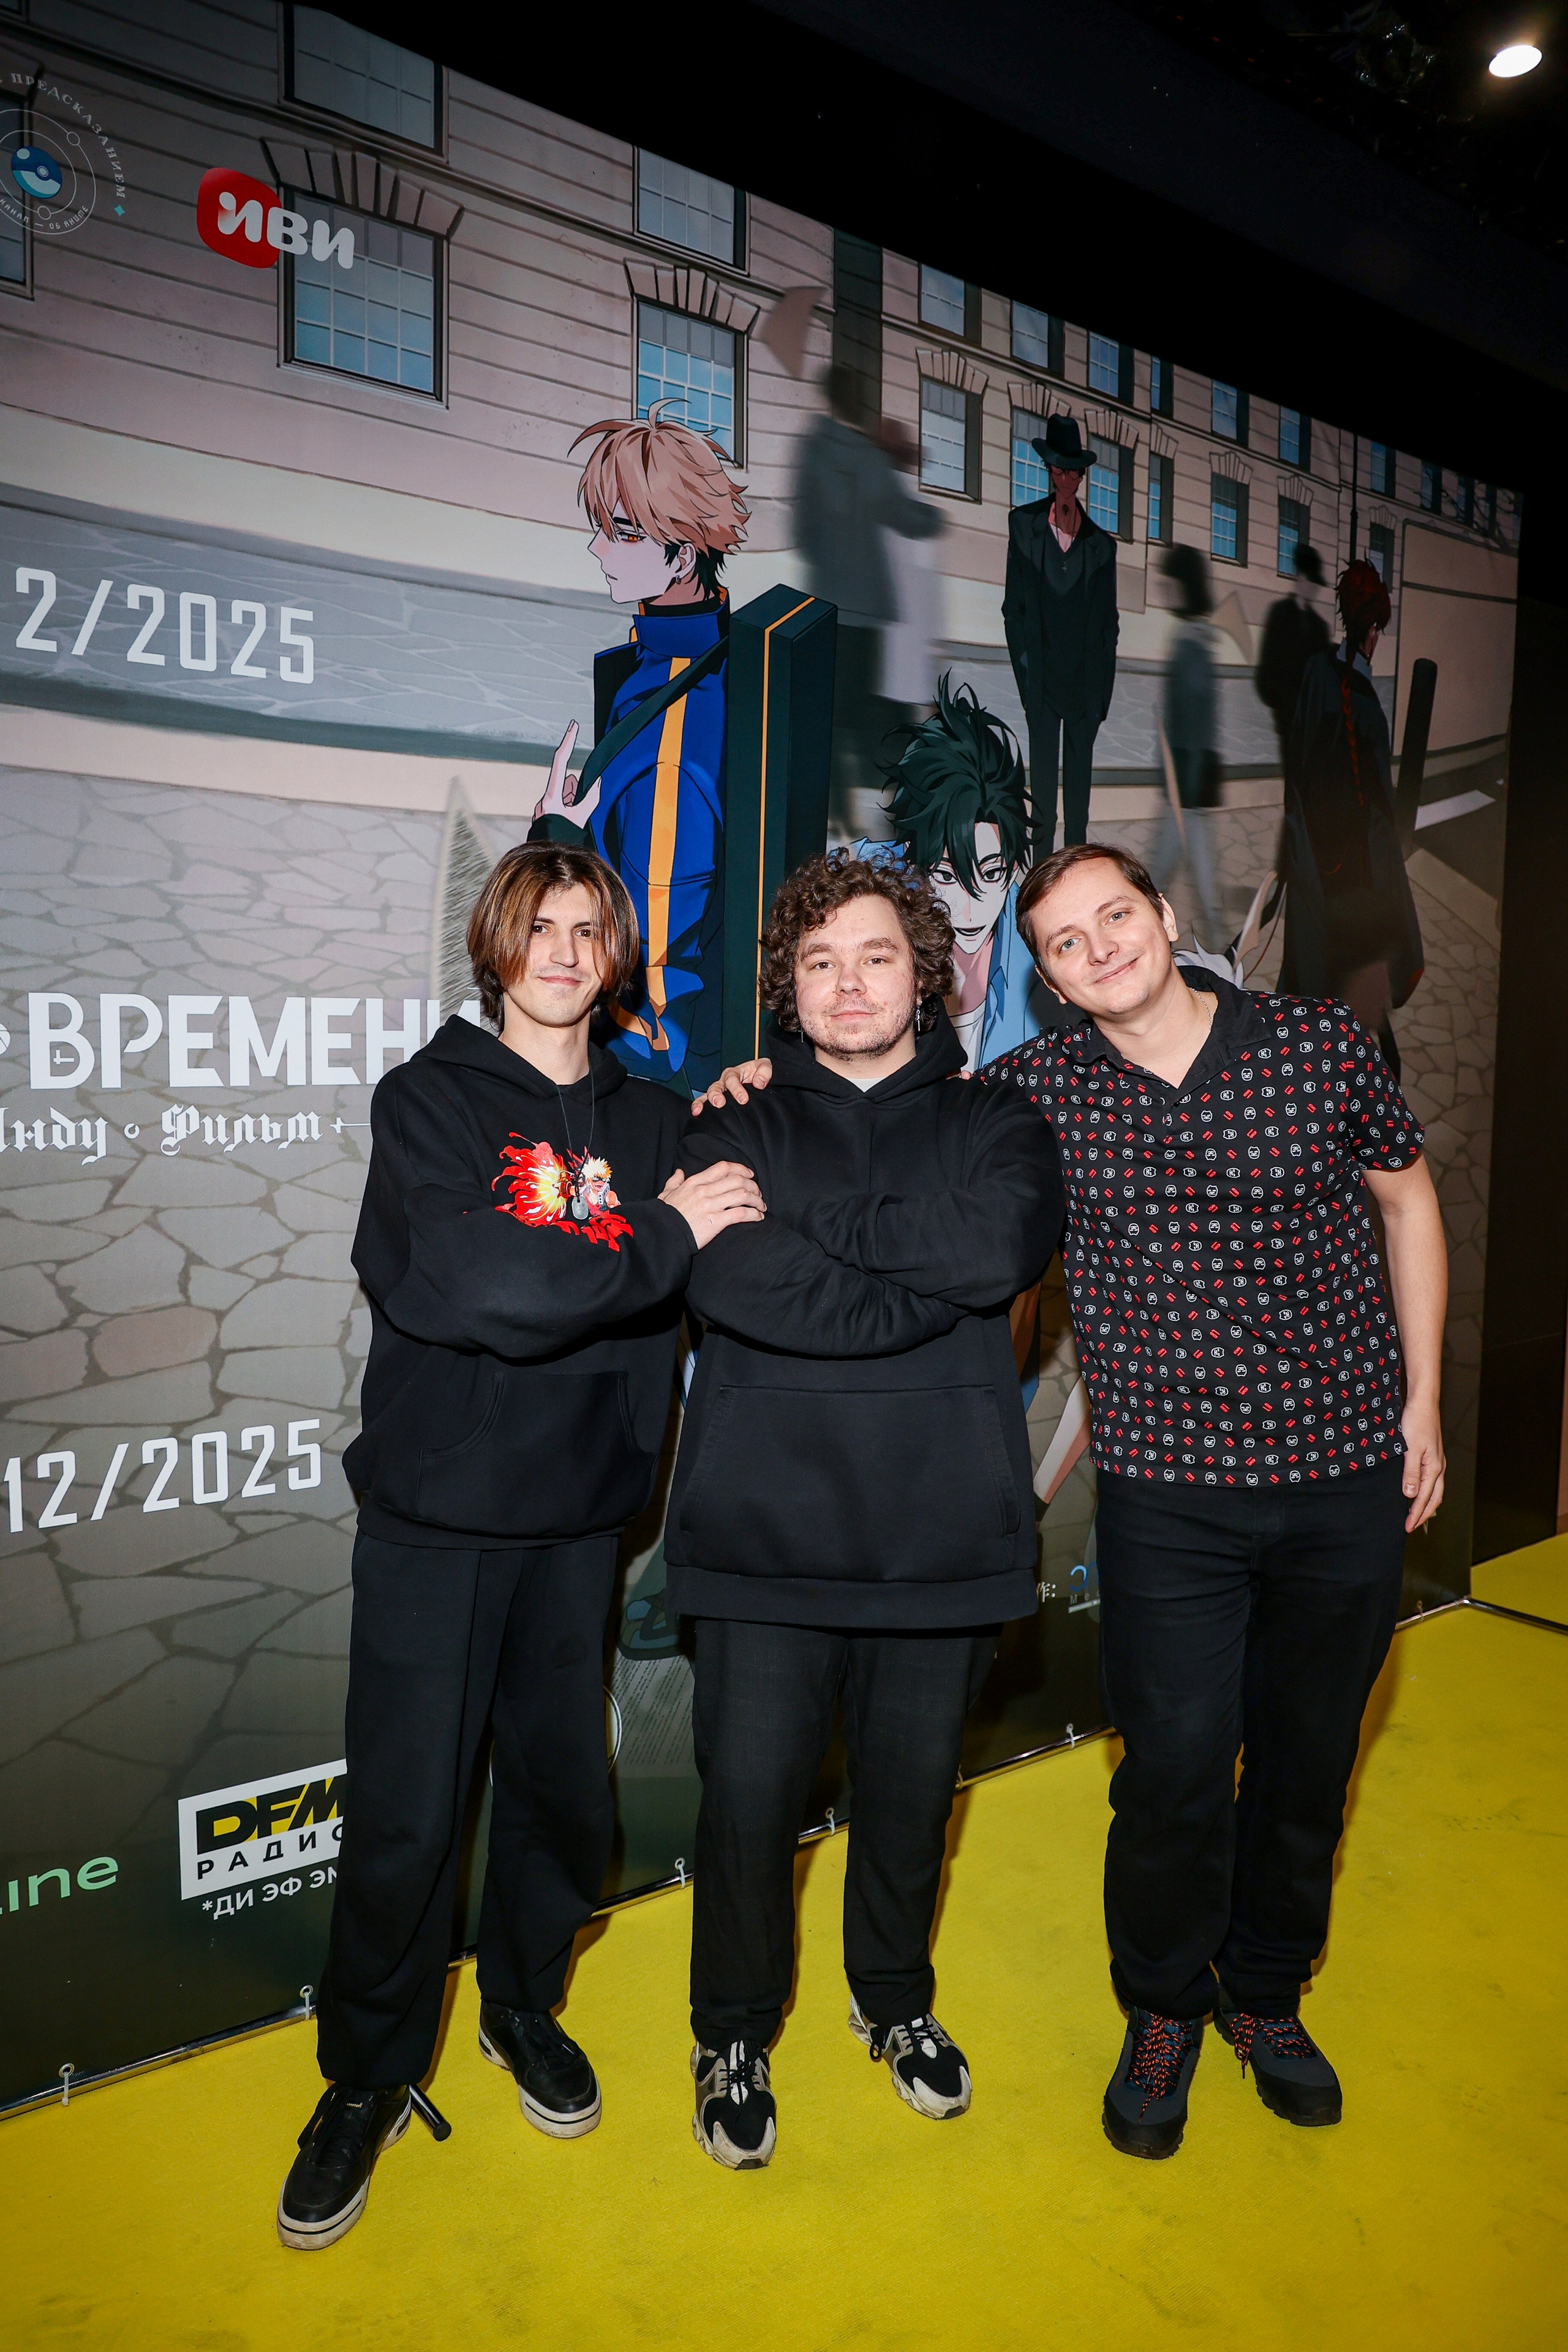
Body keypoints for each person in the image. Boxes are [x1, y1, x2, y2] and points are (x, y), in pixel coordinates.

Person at [696, 839, 1447, 2162]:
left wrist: (1422, 1401)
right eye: (1060, 940)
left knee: (1296, 1774)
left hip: (1314, 1477)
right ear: (1039, 977)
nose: (1096, 947)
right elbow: (779, 1252)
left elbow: (1399, 1198)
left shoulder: (1263, 1055)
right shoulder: (986, 1096)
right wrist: (790, 1147)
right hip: (1120, 1499)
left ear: (1161, 916)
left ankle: (1251, 2000)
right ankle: (1138, 2011)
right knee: (1148, 1779)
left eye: (1115, 917)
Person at [276, 843, 764, 2250]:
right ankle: (365, 2077)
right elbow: (492, 1282)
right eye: (536, 925)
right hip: (437, 1514)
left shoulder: (658, 1114)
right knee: (409, 1818)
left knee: (564, 1802)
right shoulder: (430, 1100)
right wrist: (660, 1230)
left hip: (580, 1517)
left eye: (587, 927)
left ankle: (518, 2004)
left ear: (618, 953)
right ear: (496, 944)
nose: (562, 948)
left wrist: (755, 1097)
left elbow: (749, 1205)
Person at [667, 850, 1063, 2168]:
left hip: (939, 1536)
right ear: (787, 983)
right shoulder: (724, 1121)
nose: (847, 985)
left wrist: (818, 1230)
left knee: (907, 1803)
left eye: (875, 956)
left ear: (925, 972)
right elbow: (739, 1284)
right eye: (818, 962)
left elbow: (995, 1251)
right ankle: (730, 2029)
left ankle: (892, 2002)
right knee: (745, 1808)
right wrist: (910, 1267)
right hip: (758, 1538)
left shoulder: (999, 1123)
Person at [530, 408, 752, 1094]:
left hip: (643, 1067)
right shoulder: (672, 672)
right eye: (603, 528)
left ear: (682, 556)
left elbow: (662, 959)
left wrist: (554, 844)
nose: (600, 550)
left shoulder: (682, 717)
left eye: (622, 533)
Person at [856, 674, 1052, 1069]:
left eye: (992, 874)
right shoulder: (861, 895)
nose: (968, 913)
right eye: (946, 877)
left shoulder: (1042, 943)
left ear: (1014, 865)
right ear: (911, 863)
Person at [1279, 558, 1423, 1077]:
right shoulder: (1364, 705)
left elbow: (1297, 761)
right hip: (1354, 873)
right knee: (1355, 977)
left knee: (1328, 975)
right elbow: (1381, 799)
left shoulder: (1316, 672)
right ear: (1373, 629)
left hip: (1317, 857)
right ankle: (1371, 1078)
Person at [793, 362, 946, 837]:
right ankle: (893, 815)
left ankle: (838, 814)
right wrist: (935, 518)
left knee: (831, 721)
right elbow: (905, 516)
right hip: (872, 614)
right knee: (876, 720)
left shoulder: (812, 451)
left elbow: (803, 534)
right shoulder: (870, 457)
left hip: (826, 608)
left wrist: (831, 571)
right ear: (858, 401)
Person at [1003, 413, 1120, 859]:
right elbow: (1013, 609)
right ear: (1049, 471)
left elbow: (1108, 624)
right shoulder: (1023, 527)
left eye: (1074, 470)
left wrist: (1101, 698)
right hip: (1044, 685)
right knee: (1044, 809)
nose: (1067, 477)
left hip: (1085, 690)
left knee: (1078, 812)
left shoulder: (1101, 546)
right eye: (1059, 468)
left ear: (1082, 475)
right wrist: (1028, 678)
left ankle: (1074, 884)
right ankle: (1040, 886)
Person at [1151, 545, 1223, 952]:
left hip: (1186, 784)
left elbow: (1195, 725)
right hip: (1188, 781)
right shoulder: (1196, 637)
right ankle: (1219, 943)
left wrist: (1184, 790)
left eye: (1170, 583)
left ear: (1185, 586)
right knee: (1193, 871)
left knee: (1167, 872)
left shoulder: (1190, 644)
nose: (1165, 590)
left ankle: (1219, 947)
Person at [1254, 541, 1331, 775]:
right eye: (1313, 582)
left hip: (1314, 725)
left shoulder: (1320, 628)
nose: (1316, 589)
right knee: (1292, 778)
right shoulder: (1279, 615)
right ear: (1301, 578)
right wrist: (1281, 705)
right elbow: (1265, 670)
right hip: (1288, 720)